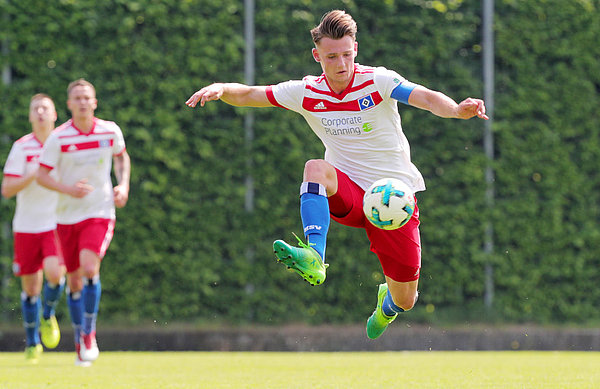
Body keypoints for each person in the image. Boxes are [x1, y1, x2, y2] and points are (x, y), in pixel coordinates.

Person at [186, 10, 488, 339]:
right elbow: (250, 94)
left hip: (392, 200)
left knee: (407, 299)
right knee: (315, 168)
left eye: (346, 54)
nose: (341, 64)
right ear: (317, 56)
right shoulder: (306, 92)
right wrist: (220, 88)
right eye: (332, 57)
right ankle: (315, 255)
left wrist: (457, 110)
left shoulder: (378, 81)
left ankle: (387, 306)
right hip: (349, 192)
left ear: (355, 48)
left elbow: (427, 98)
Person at [37, 79, 130, 365]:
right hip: (65, 217)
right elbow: (42, 175)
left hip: (99, 211)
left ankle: (89, 332)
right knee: (74, 282)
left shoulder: (110, 130)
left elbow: (121, 159)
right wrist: (68, 189)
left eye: (86, 97)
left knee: (90, 268)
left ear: (95, 102)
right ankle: (80, 339)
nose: (82, 102)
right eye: (76, 98)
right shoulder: (59, 137)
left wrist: (123, 185)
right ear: (68, 104)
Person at [1, 93, 65, 363]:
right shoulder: (21, 147)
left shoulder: (64, 142)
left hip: (55, 222)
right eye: (35, 108)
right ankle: (31, 342)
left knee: (53, 275)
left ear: (55, 115)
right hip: (26, 225)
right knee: (30, 288)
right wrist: (35, 173)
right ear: (29, 116)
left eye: (45, 108)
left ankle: (48, 315)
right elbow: (6, 189)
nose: (40, 112)